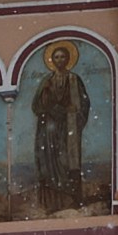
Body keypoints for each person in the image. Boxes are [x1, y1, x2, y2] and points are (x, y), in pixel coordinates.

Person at [27, 34, 94, 210]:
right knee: (50, 164)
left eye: (63, 56)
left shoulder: (74, 80)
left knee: (67, 161)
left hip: (68, 128)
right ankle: (52, 202)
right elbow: (37, 105)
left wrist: (75, 112)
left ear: (68, 59)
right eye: (56, 57)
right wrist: (55, 108)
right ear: (51, 60)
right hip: (49, 131)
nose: (59, 60)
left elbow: (84, 103)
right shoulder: (46, 81)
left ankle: (71, 200)